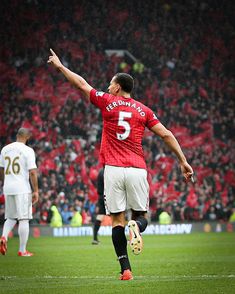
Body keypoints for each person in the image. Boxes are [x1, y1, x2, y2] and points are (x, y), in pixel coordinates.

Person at [48, 49, 194, 280]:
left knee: (116, 220)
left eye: (109, 84)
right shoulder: (144, 110)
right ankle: (135, 225)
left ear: (117, 87)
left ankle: (126, 270)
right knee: (141, 215)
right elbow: (166, 134)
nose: (107, 87)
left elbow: (81, 84)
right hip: (137, 169)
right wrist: (183, 161)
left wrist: (59, 66)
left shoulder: (107, 102)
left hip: (113, 170)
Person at [0, 128, 39, 256]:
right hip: (22, 188)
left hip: (8, 187)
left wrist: (5, 182)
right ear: (27, 137)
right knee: (24, 219)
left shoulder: (5, 149)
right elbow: (33, 172)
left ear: (17, 135)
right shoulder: (28, 150)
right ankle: (22, 250)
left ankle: (4, 237)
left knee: (10, 217)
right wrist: (36, 191)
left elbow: (1, 169)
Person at [92, 168, 106, 245]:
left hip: (101, 197)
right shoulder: (107, 171)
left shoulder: (100, 171)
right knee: (117, 216)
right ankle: (122, 238)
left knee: (100, 216)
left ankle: (95, 238)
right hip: (108, 197)